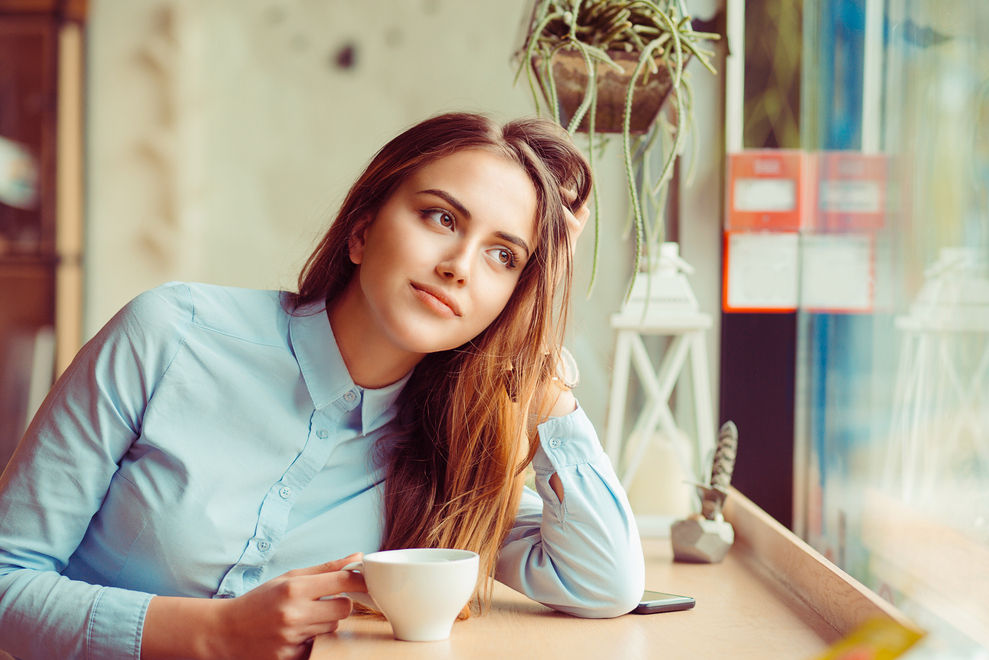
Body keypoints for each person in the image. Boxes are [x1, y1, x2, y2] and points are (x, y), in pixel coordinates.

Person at [0, 112, 644, 659]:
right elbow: (8, 585)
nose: (458, 268)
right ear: (362, 230)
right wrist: (216, 633)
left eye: (503, 256)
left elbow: (601, 582)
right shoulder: (170, 335)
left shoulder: (450, 451)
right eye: (440, 218)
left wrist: (538, 373)